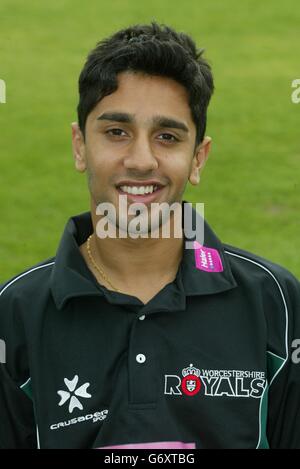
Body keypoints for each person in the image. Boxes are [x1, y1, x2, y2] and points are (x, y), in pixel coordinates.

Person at [0, 22, 299, 450]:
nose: (141, 161)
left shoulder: (276, 302)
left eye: (167, 137)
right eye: (116, 132)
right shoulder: (15, 315)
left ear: (198, 158)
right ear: (80, 146)